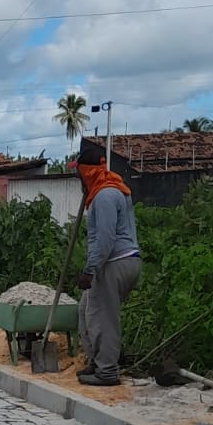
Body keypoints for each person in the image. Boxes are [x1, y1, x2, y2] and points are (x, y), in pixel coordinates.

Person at [76, 138, 141, 388]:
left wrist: (89, 270)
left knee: (103, 319)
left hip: (114, 263)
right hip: (123, 261)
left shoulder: (104, 196)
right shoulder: (112, 189)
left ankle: (107, 371)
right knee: (86, 309)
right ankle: (96, 361)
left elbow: (105, 240)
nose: (78, 179)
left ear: (87, 173)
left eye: (79, 174)